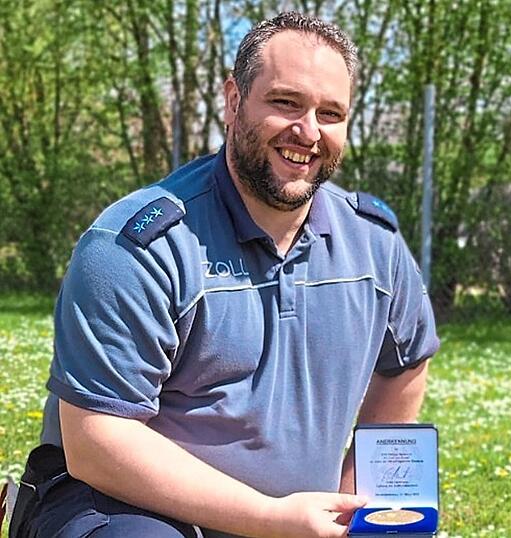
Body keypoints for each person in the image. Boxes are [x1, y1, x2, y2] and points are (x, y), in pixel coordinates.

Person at [8, 12, 438, 538]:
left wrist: (355, 497)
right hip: (120, 507)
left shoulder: (376, 244)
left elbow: (407, 361)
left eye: (330, 113)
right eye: (286, 103)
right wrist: (268, 520)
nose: (308, 132)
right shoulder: (138, 246)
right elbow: (97, 441)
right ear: (234, 101)